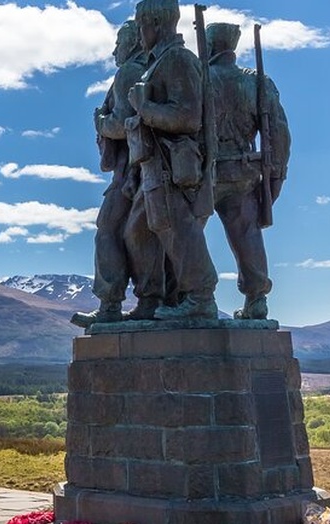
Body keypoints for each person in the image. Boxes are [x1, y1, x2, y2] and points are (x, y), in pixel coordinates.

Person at [125, 0, 218, 320]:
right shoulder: (158, 61)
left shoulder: (177, 59)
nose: (139, 32)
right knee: (137, 232)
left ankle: (201, 296)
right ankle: (151, 299)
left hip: (171, 166)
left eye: (141, 24)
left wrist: (144, 107)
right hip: (151, 165)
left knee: (178, 229)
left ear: (156, 23)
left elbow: (189, 117)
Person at [72, 20, 164, 327]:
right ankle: (143, 300)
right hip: (144, 167)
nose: (115, 51)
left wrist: (100, 122)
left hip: (132, 170)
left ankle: (115, 303)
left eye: (119, 43)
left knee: (112, 230)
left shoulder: (129, 72)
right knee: (137, 233)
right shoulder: (153, 69)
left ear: (133, 43)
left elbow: (122, 124)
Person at [206, 22, 290, 319]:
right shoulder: (255, 82)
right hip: (243, 170)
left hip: (205, 172)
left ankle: (190, 294)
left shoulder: (201, 79)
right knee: (247, 234)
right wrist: (276, 174)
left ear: (211, 45)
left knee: (185, 233)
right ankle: (256, 298)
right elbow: (278, 133)